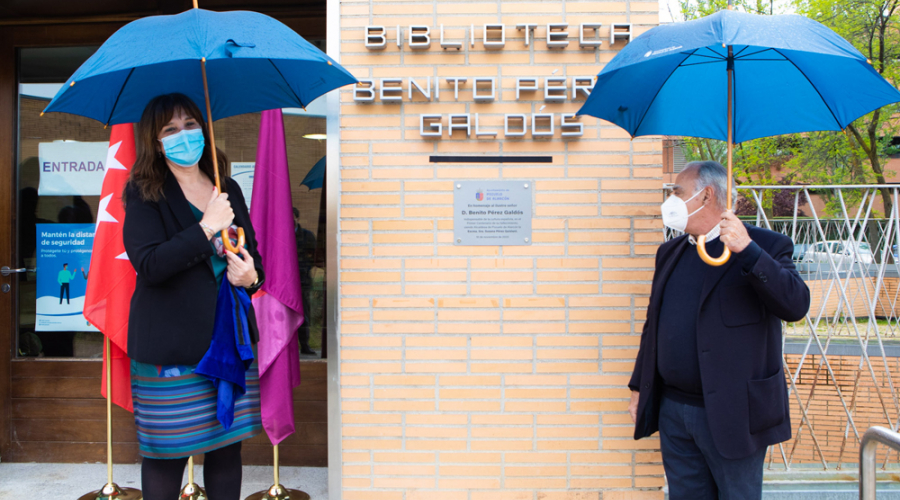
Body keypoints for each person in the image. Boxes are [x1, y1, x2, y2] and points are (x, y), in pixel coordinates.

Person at [628, 161, 810, 500]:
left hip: (735, 412)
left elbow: (795, 305)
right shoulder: (671, 253)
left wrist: (748, 251)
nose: (671, 201)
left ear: (706, 195)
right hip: (675, 411)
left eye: (678, 193)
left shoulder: (766, 246)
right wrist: (640, 386)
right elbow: (654, 325)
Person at [122, 93, 265, 500]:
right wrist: (206, 228)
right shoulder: (144, 192)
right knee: (166, 455)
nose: (184, 135)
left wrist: (252, 276)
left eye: (190, 125)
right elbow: (149, 264)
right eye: (170, 129)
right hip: (171, 345)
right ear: (155, 140)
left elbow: (253, 258)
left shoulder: (227, 188)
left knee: (226, 448)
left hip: (230, 340)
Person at [293, 206, 317, 355]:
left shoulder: (307, 236)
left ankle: (305, 344)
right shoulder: (281, 235)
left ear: (297, 219)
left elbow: (314, 256)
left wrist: (304, 268)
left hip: (302, 280)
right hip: (284, 282)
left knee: (304, 313)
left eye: (292, 217)